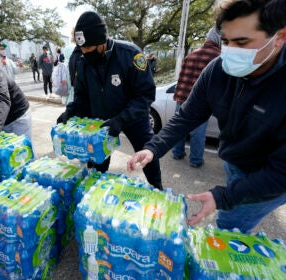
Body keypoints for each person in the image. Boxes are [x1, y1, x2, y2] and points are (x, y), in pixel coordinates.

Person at [128, 0, 286, 233]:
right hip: (234, 161)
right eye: (226, 41)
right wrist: (153, 147)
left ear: (279, 37)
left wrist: (223, 197)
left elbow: (281, 174)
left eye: (242, 42)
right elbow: (187, 116)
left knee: (229, 224)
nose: (231, 51)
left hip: (269, 175)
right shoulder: (217, 69)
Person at [57, 11, 163, 190]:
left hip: (133, 118)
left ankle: (157, 187)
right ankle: (98, 190)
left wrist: (121, 120)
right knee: (99, 162)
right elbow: (82, 96)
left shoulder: (129, 55)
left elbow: (145, 94)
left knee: (147, 154)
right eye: (82, 50)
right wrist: (71, 110)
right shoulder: (84, 61)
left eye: (89, 50)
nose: (85, 54)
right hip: (102, 121)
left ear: (101, 42)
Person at [172, 27, 221, 168]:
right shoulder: (219, 56)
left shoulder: (191, 54)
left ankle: (177, 153)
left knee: (179, 128)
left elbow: (180, 79)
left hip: (182, 98)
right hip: (200, 102)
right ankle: (195, 160)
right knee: (197, 133)